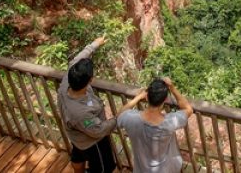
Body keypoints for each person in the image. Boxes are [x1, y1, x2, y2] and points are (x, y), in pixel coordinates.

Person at [58, 36, 147, 173]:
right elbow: (99, 130)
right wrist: (134, 101)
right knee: (104, 168)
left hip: (76, 135)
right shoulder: (81, 113)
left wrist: (94, 44)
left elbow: (76, 60)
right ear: (90, 80)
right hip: (92, 142)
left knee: (78, 155)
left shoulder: (67, 82)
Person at [118, 77, 194, 173]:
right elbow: (188, 109)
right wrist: (172, 88)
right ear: (165, 99)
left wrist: (137, 97)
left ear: (147, 97)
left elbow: (120, 114)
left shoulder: (131, 118)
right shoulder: (169, 122)